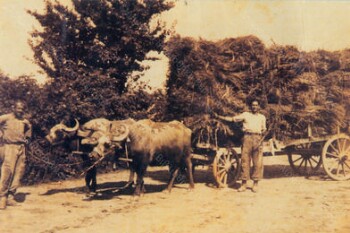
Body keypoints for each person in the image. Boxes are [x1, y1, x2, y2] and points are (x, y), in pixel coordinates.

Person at [215, 100, 266, 193]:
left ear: (259, 107)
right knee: (244, 161)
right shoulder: (246, 115)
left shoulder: (262, 117)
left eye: (256, 105)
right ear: (251, 107)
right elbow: (233, 119)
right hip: (247, 138)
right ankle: (243, 184)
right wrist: (219, 117)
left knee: (257, 163)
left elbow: (263, 130)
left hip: (257, 139)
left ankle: (255, 184)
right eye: (253, 105)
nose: (254, 107)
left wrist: (261, 142)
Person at [0, 101, 32, 209]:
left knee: (19, 172)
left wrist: (27, 138)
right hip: (9, 147)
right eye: (18, 108)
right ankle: (2, 197)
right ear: (13, 108)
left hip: (21, 148)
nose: (20, 110)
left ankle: (11, 196)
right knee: (7, 172)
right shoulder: (5, 118)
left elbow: (29, 128)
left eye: (22, 108)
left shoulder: (24, 121)